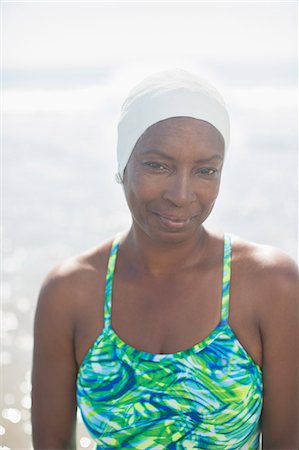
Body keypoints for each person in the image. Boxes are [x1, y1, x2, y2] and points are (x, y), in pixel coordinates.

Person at [31, 69, 298, 449]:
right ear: (124, 163)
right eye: (158, 165)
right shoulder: (70, 292)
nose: (182, 194)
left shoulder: (270, 285)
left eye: (206, 170)